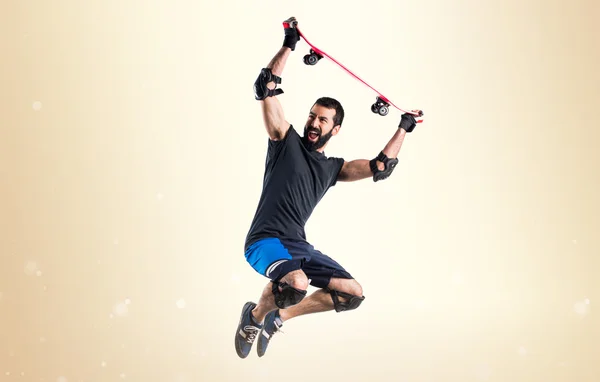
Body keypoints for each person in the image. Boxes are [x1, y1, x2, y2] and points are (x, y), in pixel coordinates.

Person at [235, 17, 421, 359]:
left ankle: (279, 318)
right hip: (265, 240)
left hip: (298, 244)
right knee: (296, 283)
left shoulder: (334, 168)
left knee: (352, 293)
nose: (313, 123)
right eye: (311, 116)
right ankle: (254, 316)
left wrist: (404, 128)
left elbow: (381, 167)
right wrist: (289, 44)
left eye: (322, 120)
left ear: (335, 129)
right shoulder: (284, 140)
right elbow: (266, 87)